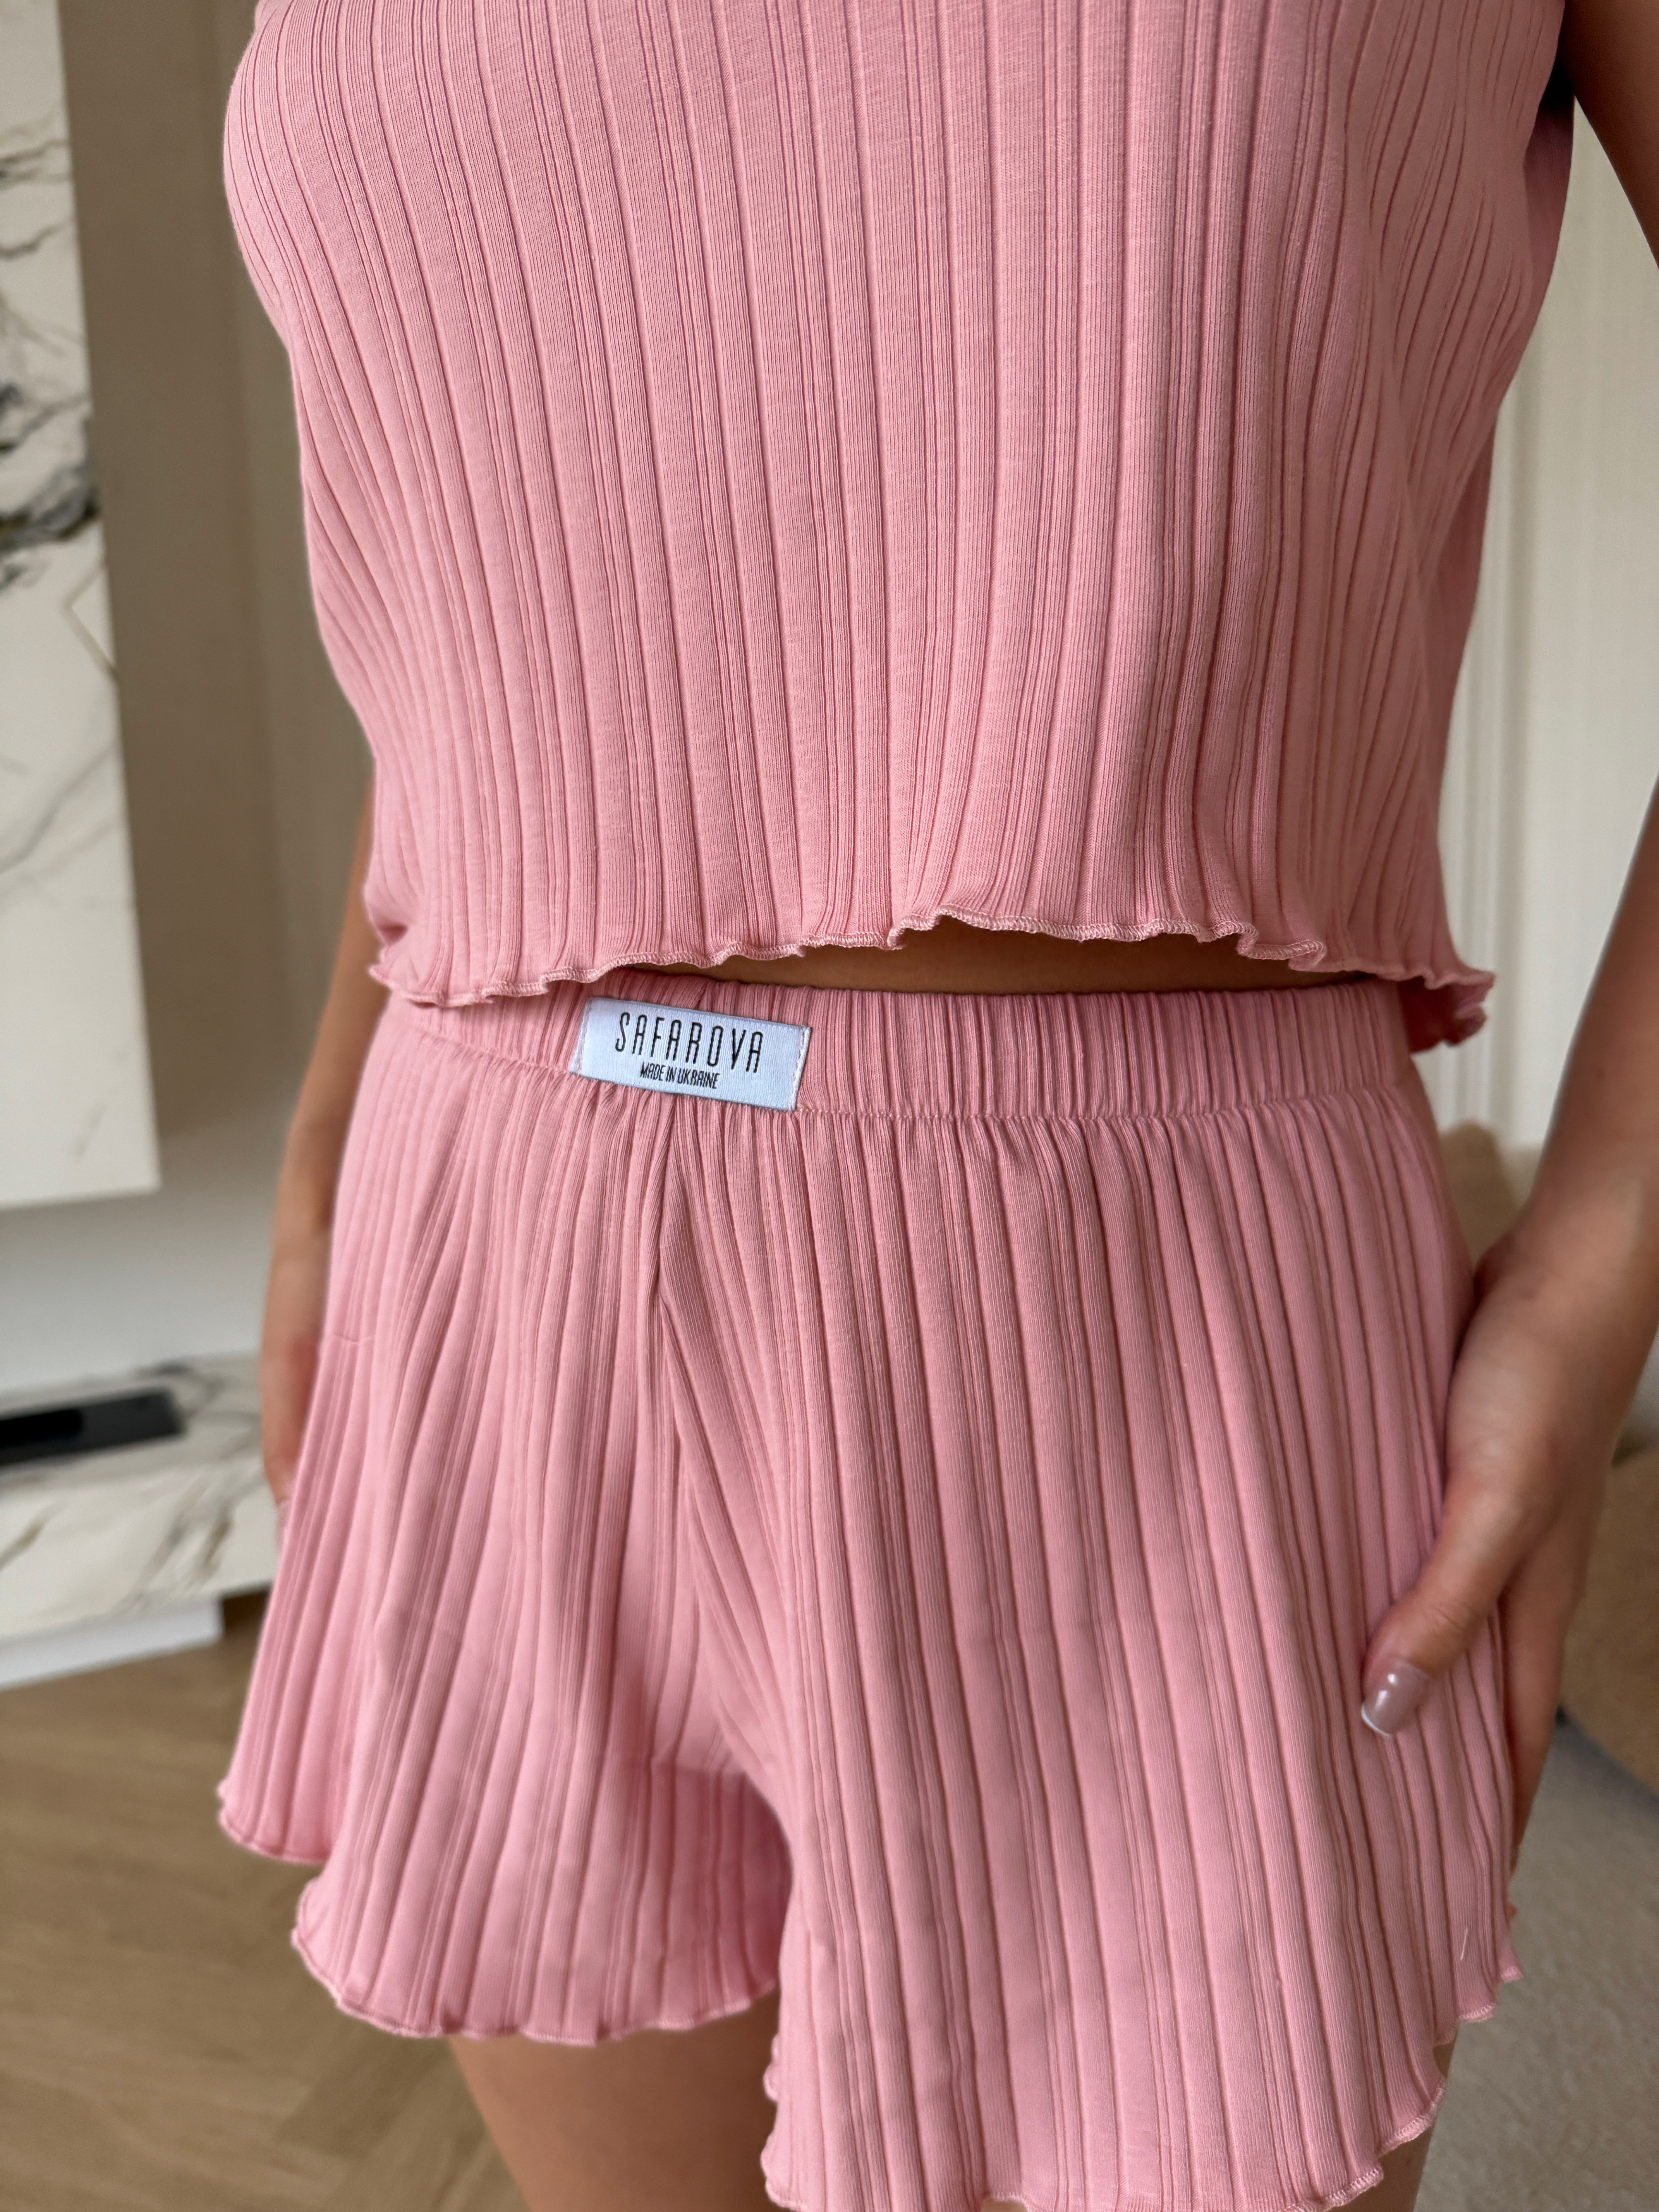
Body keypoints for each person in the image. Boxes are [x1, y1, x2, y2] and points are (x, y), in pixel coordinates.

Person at [217, 3, 1659, 2209]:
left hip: (1160, 1321)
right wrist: (334, 1127)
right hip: (501, 1240)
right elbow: (501, 537)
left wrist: (1606, 1248)